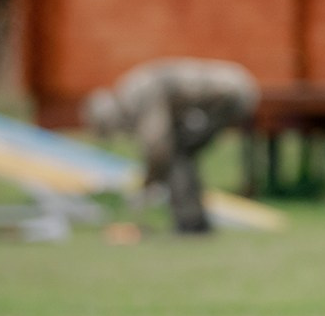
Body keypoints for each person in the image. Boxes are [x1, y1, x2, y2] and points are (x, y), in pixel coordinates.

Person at [83, 58, 258, 234]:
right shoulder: (133, 89)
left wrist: (148, 182)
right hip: (232, 87)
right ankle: (194, 221)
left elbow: (158, 147)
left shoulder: (137, 95)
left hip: (232, 93)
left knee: (176, 154)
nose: (119, 132)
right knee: (179, 152)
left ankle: (191, 223)